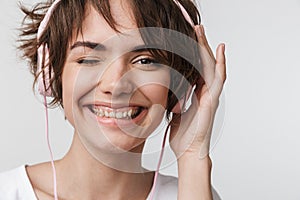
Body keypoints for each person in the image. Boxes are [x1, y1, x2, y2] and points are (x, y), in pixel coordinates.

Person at [0, 0, 226, 199]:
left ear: (178, 86)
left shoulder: (193, 192)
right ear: (51, 74)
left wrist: (192, 156)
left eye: (145, 60)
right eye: (89, 59)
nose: (116, 85)